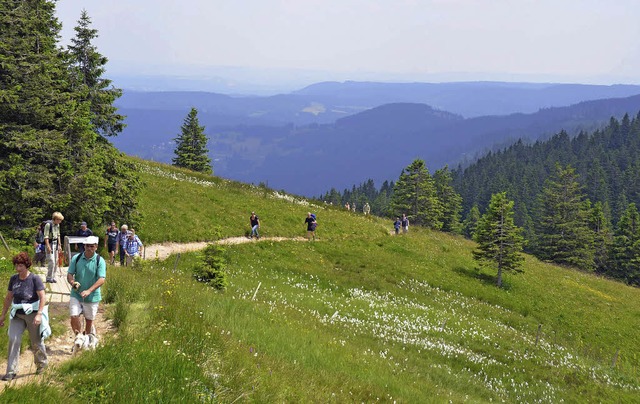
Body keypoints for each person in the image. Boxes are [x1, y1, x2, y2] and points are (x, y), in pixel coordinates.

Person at [0, 252, 48, 380]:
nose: (18, 268)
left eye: (20, 265)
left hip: (32, 313)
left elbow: (42, 296)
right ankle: (11, 371)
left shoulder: (34, 279)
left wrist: (39, 314)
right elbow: (9, 297)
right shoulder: (13, 279)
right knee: (13, 339)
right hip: (17, 313)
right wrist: (3, 315)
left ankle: (41, 365)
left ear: (26, 265)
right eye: (16, 265)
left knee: (36, 341)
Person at [67, 236, 105, 337]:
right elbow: (70, 274)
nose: (89, 248)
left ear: (96, 247)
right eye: (87, 246)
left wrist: (89, 291)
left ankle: (87, 340)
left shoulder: (100, 261)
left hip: (92, 296)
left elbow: (101, 279)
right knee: (74, 316)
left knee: (89, 321)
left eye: (92, 246)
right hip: (76, 294)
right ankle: (79, 337)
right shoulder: (77, 258)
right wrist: (72, 282)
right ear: (84, 246)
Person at [44, 212, 63, 283]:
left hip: (56, 244)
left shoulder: (57, 225)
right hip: (50, 244)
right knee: (51, 261)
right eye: (59, 220)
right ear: (55, 219)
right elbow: (46, 237)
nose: (60, 222)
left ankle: (53, 277)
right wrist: (48, 246)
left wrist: (60, 245)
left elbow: (58, 235)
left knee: (56, 261)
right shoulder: (48, 225)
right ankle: (48, 277)